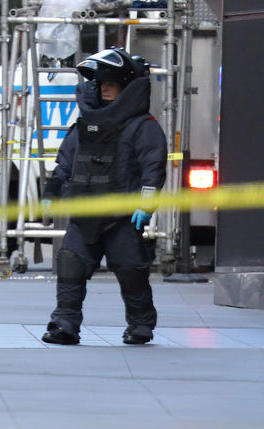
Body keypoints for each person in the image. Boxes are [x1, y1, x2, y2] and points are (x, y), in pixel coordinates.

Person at [40, 47, 167, 345]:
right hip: (84, 215)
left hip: (123, 218)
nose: (105, 87)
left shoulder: (143, 128)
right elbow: (65, 164)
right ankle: (64, 325)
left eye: (112, 82)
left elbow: (153, 169)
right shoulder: (85, 126)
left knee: (131, 272)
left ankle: (140, 325)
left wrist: (146, 206)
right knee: (70, 267)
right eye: (101, 82)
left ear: (127, 86)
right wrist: (51, 192)